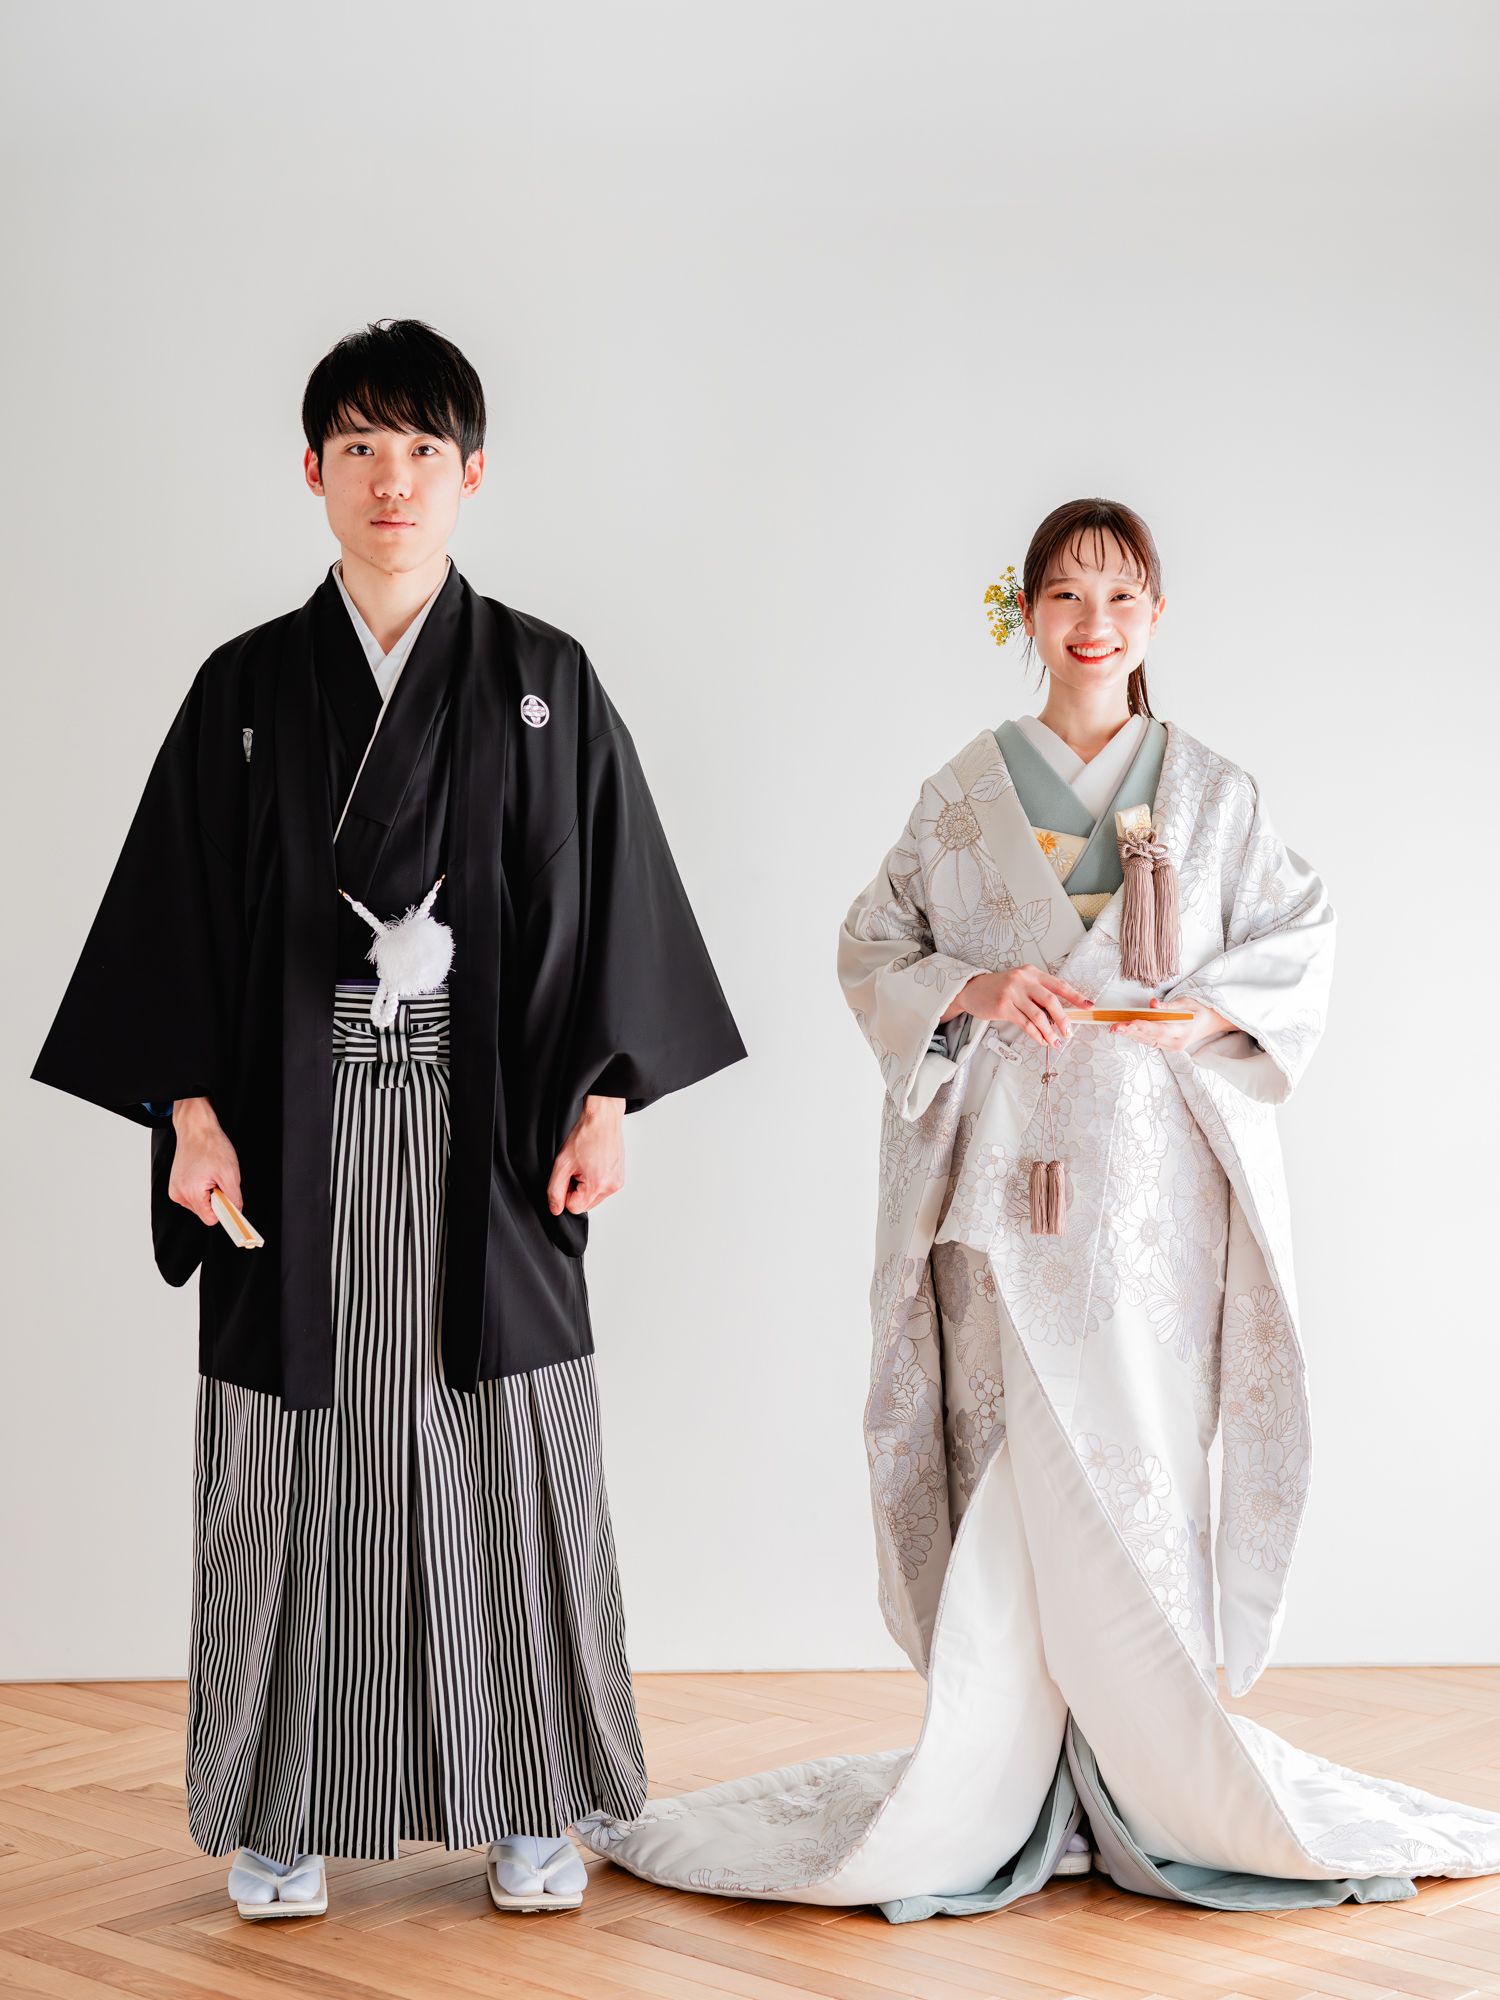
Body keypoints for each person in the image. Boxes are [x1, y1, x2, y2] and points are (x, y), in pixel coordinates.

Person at [577, 497, 1500, 1919]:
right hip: (1000, 1191)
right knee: (1016, 1462)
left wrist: (1206, 1015)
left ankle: (1149, 1779)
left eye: (1122, 598)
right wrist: (977, 986)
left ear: (1156, 617)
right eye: (1067, 595)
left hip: (1152, 1197)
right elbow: (871, 944)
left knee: (1141, 1465)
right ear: (1026, 613)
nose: (1094, 624)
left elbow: (1300, 936)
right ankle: (1004, 1776)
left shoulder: (1212, 796)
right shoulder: (964, 793)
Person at [31, 317, 747, 1919]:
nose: (392, 479)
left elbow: (608, 903)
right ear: (313, 471)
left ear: (472, 472)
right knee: (299, 1464)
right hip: (289, 1133)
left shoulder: (544, 681)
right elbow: (173, 923)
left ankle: (532, 1802)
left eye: (423, 449)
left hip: (492, 1129)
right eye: (360, 447)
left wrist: (610, 1095)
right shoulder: (244, 689)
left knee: (511, 1454)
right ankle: (285, 1809)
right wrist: (188, 1113)